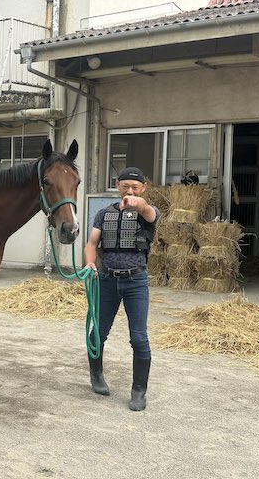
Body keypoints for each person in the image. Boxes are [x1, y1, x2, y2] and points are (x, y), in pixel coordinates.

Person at [84, 167, 160, 411]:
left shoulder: (147, 212)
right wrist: (89, 262)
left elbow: (147, 211)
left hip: (135, 282)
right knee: (97, 333)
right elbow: (92, 243)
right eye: (125, 186)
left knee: (139, 337)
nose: (129, 191)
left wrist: (138, 203)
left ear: (143, 189)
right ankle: (96, 376)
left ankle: (139, 391)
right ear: (117, 185)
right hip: (106, 280)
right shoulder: (103, 214)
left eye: (135, 188)